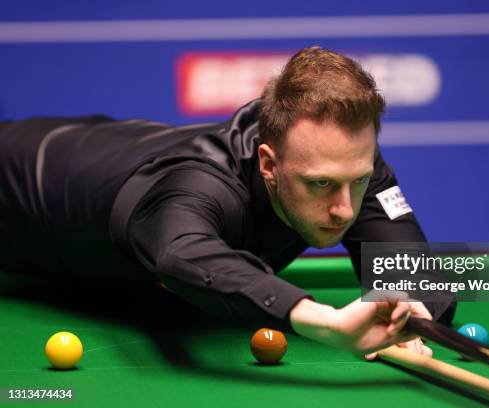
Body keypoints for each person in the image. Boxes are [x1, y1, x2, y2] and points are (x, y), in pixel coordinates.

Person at [0, 46, 455, 358]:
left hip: (99, 152)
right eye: (319, 185)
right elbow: (181, 253)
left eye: (357, 181)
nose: (344, 208)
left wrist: (412, 308)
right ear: (268, 163)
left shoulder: (343, 163)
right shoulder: (197, 183)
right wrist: (320, 319)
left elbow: (412, 270)